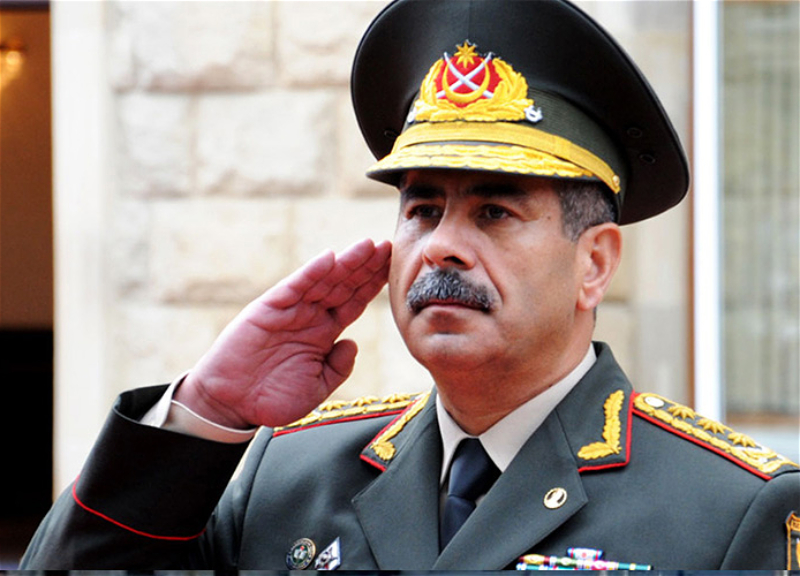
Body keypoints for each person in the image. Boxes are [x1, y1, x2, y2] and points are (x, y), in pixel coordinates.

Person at [22, 0, 799, 570]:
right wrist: (207, 413)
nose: (442, 248)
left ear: (593, 263)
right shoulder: (286, 477)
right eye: (423, 210)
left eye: (494, 211)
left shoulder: (726, 508)